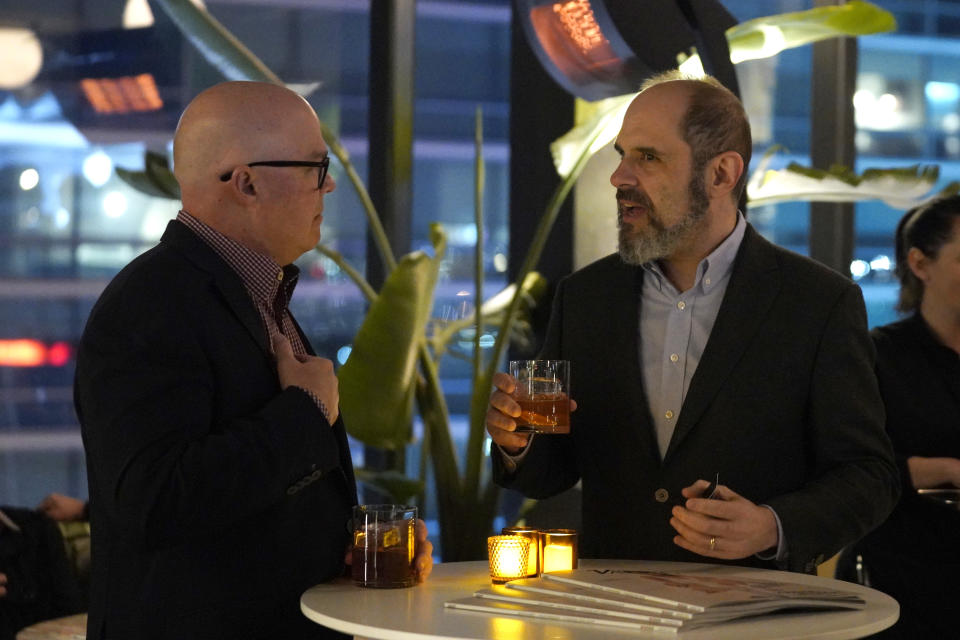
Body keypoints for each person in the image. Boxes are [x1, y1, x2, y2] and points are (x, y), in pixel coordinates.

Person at [486, 71, 899, 574]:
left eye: (649, 157)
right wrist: (517, 442)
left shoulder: (817, 302)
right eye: (622, 154)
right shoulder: (585, 297)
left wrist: (772, 525)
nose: (620, 178)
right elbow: (549, 472)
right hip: (615, 608)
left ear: (722, 174)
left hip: (752, 614)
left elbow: (869, 475)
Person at [76, 81, 432, 640]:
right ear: (246, 183)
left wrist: (342, 551)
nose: (330, 183)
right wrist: (306, 411)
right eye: (316, 167)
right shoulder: (150, 303)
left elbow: (251, 504)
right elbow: (154, 502)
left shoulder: (256, 294)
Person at [852, 195, 960, 638]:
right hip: (903, 583)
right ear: (920, 264)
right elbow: (846, 470)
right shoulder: (879, 355)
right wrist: (941, 469)